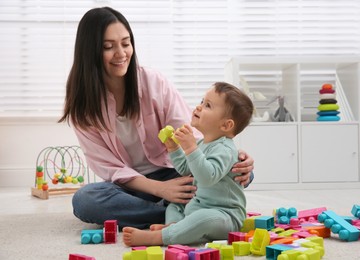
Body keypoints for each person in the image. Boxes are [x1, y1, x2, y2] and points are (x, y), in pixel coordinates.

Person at [58, 7, 254, 230]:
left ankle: (181, 212)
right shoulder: (83, 108)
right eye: (108, 47)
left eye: (126, 42)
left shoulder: (153, 82)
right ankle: (181, 215)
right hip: (132, 186)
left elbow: (192, 133)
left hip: (177, 170)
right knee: (85, 200)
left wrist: (229, 153)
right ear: (90, 51)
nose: (121, 53)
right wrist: (160, 189)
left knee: (237, 168)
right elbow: (111, 169)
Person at [122, 82, 254, 246]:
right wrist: (174, 148)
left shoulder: (225, 149)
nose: (199, 107)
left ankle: (159, 237)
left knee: (204, 219)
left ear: (226, 125)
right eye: (201, 101)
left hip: (224, 215)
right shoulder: (203, 144)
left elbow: (207, 177)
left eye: (208, 105)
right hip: (198, 205)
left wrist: (191, 148)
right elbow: (185, 169)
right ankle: (174, 227)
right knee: (175, 205)